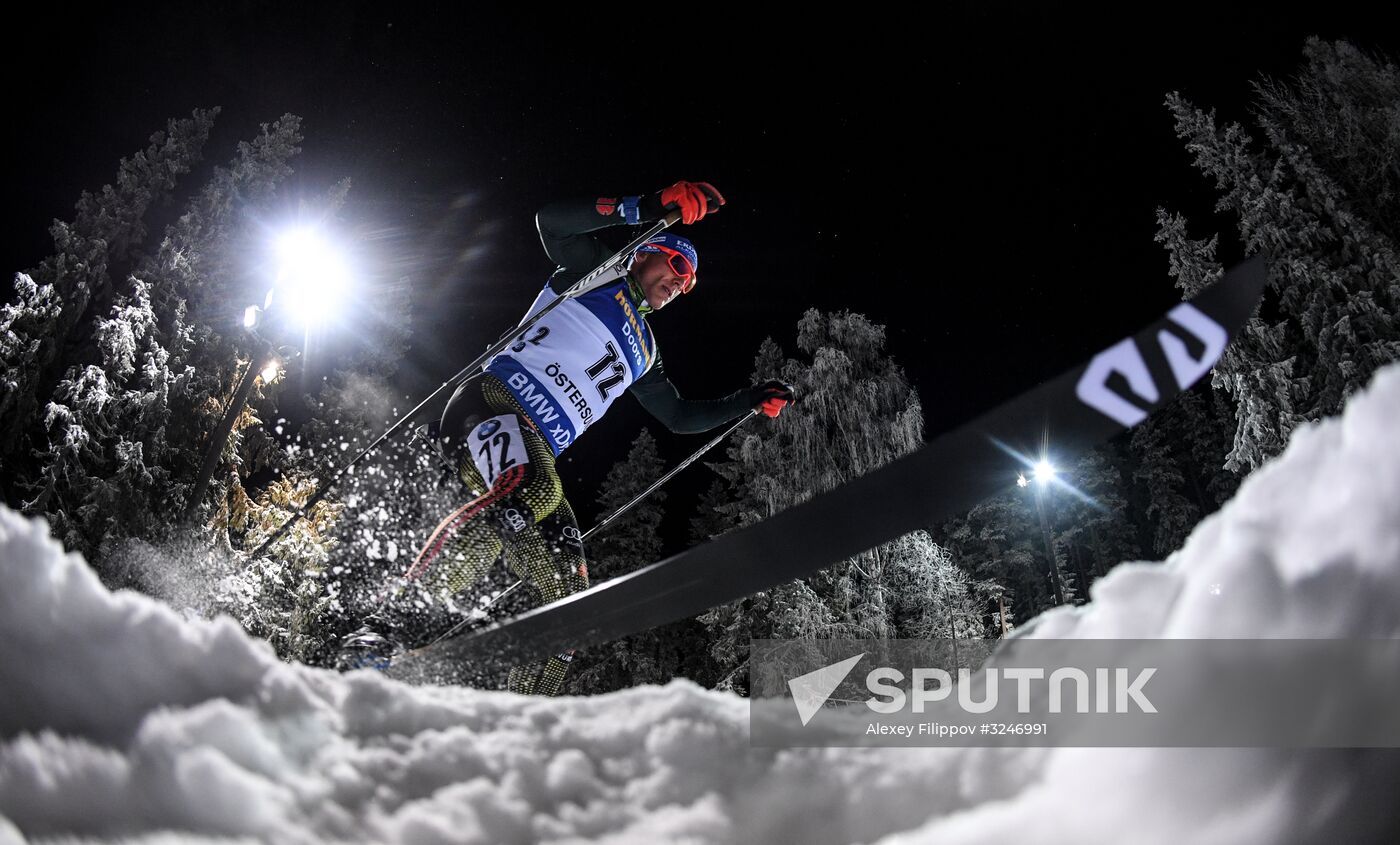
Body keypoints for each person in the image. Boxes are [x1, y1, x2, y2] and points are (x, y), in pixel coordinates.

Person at [338, 180, 794, 694]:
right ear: (646, 253)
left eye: (687, 284)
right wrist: (646, 207)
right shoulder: (597, 271)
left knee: (572, 602)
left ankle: (518, 714)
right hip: (493, 402)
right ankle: (382, 631)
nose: (679, 284)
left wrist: (747, 400)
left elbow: (679, 416)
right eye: (675, 266)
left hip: (535, 448)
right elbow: (551, 223)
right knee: (533, 489)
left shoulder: (646, 352)